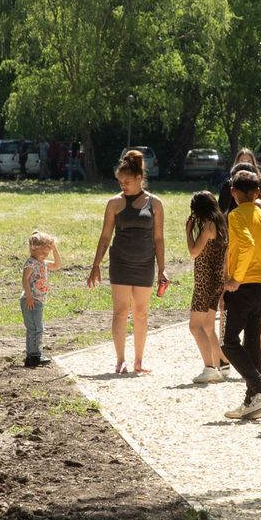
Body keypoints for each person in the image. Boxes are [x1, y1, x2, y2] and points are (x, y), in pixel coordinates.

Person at [87, 149, 167, 374]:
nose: (123, 185)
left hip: (144, 263)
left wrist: (162, 269)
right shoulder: (114, 203)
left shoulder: (155, 203)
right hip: (120, 262)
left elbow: (159, 238)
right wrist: (96, 265)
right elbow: (105, 237)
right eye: (120, 181)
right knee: (120, 311)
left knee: (141, 312)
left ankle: (139, 361)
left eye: (127, 181)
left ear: (140, 179)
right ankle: (120, 360)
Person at [221, 170, 261, 420]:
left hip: (242, 286)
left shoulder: (235, 215)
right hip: (259, 288)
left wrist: (235, 277)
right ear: (257, 192)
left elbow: (245, 244)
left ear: (233, 192)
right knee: (252, 343)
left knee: (229, 343)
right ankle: (252, 401)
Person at [185, 191, 228, 384]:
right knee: (208, 327)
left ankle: (210, 367)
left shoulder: (208, 225)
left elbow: (194, 252)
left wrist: (188, 232)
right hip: (217, 281)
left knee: (195, 326)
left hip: (205, 282)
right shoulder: (221, 225)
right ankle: (223, 362)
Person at [21, 231, 61, 367]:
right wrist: (29, 297)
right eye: (43, 253)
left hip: (38, 300)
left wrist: (54, 248)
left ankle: (32, 355)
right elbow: (25, 280)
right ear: (34, 249)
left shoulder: (42, 262)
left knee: (35, 328)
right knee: (35, 328)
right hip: (31, 300)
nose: (45, 256)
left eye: (47, 253)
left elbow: (57, 265)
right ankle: (34, 355)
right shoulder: (31, 263)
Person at [217, 148, 261, 229]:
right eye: (242, 161)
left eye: (248, 161)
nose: (245, 164)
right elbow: (221, 212)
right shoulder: (228, 185)